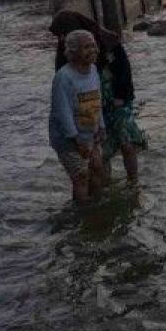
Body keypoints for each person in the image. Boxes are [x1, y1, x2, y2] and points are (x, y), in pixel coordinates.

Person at [50, 11, 147, 183]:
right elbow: (62, 94)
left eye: (64, 33)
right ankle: (106, 189)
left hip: (117, 100)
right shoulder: (66, 51)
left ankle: (134, 183)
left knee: (127, 142)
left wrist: (120, 96)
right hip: (91, 108)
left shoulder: (106, 41)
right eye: (59, 35)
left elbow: (124, 70)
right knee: (100, 153)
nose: (61, 38)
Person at [49, 30, 107, 205]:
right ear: (73, 52)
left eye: (93, 46)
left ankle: (97, 209)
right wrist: (76, 139)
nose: (93, 50)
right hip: (68, 139)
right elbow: (62, 111)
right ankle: (82, 215)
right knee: (81, 176)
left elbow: (98, 101)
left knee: (97, 170)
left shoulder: (94, 71)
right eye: (87, 47)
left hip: (91, 134)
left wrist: (101, 127)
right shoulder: (63, 77)